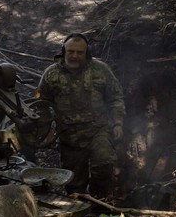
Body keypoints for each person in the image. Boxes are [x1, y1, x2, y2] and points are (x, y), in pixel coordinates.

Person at [36, 33, 125, 198]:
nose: (75, 56)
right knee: (74, 182)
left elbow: (115, 97)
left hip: (98, 130)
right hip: (68, 136)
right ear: (64, 51)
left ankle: (99, 202)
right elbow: (42, 105)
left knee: (104, 163)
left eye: (80, 52)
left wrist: (118, 123)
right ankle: (78, 214)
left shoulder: (100, 70)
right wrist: (46, 130)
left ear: (86, 53)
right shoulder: (51, 74)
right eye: (71, 51)